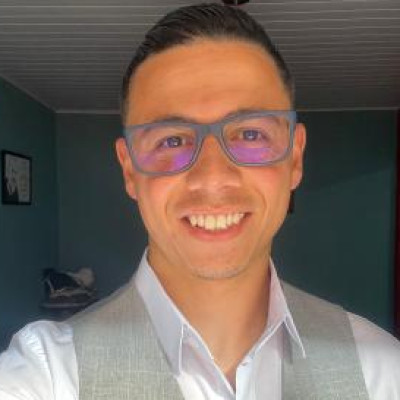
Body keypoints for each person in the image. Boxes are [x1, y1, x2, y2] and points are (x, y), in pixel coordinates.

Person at [0, 3, 399, 399]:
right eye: (172, 140)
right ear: (130, 170)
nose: (213, 177)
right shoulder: (45, 374)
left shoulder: (383, 371)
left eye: (250, 134)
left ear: (294, 159)